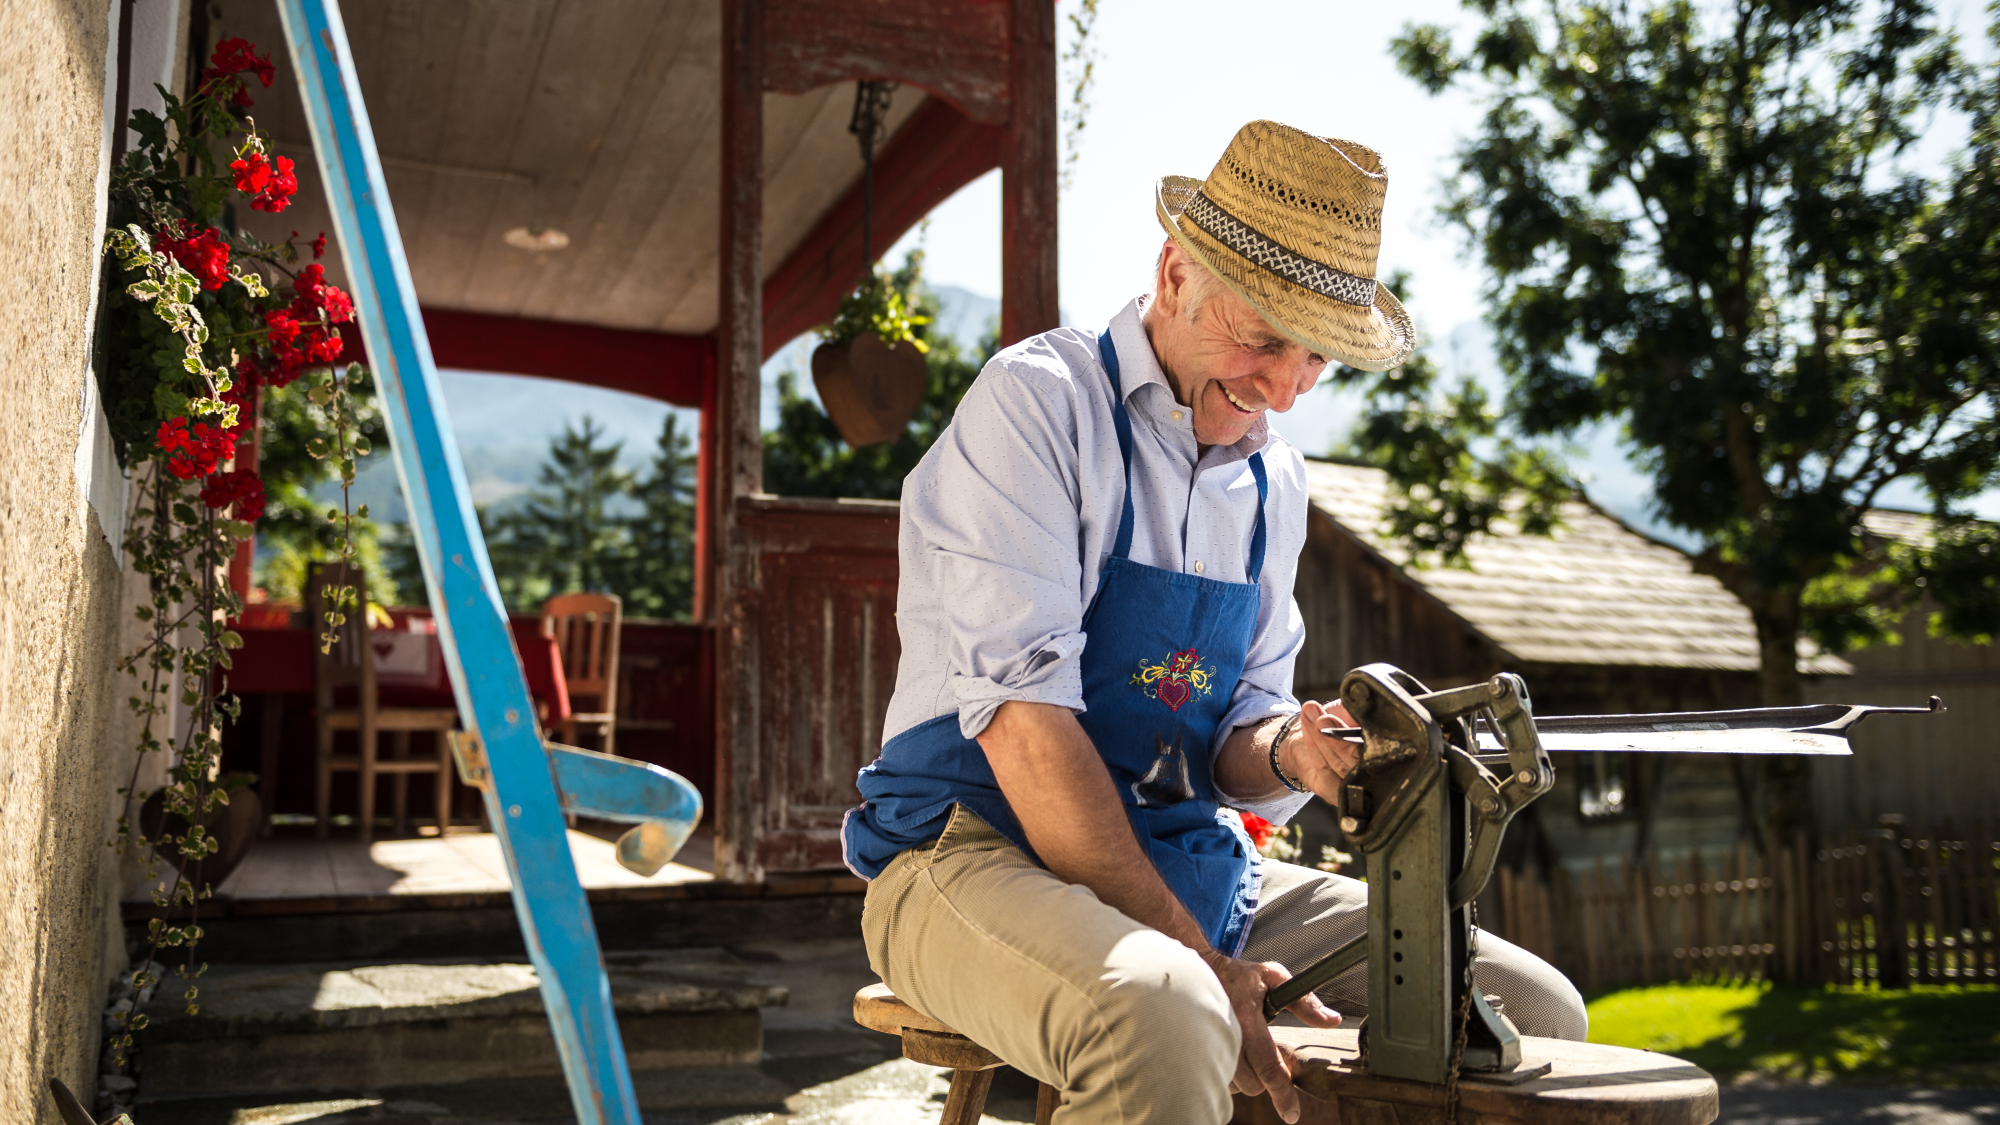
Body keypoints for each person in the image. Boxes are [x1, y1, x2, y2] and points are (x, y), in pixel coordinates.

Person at [841, 120, 1585, 1125]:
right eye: (1263, 338)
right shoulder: (1037, 404)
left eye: (1315, 357)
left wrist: (1290, 748)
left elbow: (1232, 733)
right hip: (969, 849)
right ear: (1173, 271)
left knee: (1528, 1013)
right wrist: (1200, 961)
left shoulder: (1276, 478)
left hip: (1179, 860)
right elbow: (1024, 728)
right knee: (1164, 1007)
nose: (1280, 390)